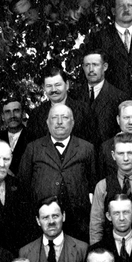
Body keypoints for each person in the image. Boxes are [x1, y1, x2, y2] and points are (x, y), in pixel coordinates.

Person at [18, 103, 97, 243]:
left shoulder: (87, 148)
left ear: (72, 122)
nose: (59, 122)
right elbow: (23, 184)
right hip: (43, 222)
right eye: (54, 118)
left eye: (65, 117)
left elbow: (93, 183)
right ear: (47, 122)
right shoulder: (33, 148)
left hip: (78, 222)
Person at [18, 197, 89, 262]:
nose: (51, 221)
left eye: (55, 216)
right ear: (38, 221)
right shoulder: (25, 253)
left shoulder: (82, 249)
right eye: (45, 218)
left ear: (63, 216)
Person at [22, 66, 97, 145]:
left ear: (67, 85)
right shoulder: (36, 115)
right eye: (49, 86)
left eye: (57, 85)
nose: (53, 90)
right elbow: (31, 147)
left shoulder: (84, 111)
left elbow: (93, 144)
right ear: (44, 87)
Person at [77, 47, 128, 145]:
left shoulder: (119, 97)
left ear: (105, 67)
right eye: (87, 65)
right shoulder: (75, 95)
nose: (91, 70)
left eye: (95, 65)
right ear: (83, 67)